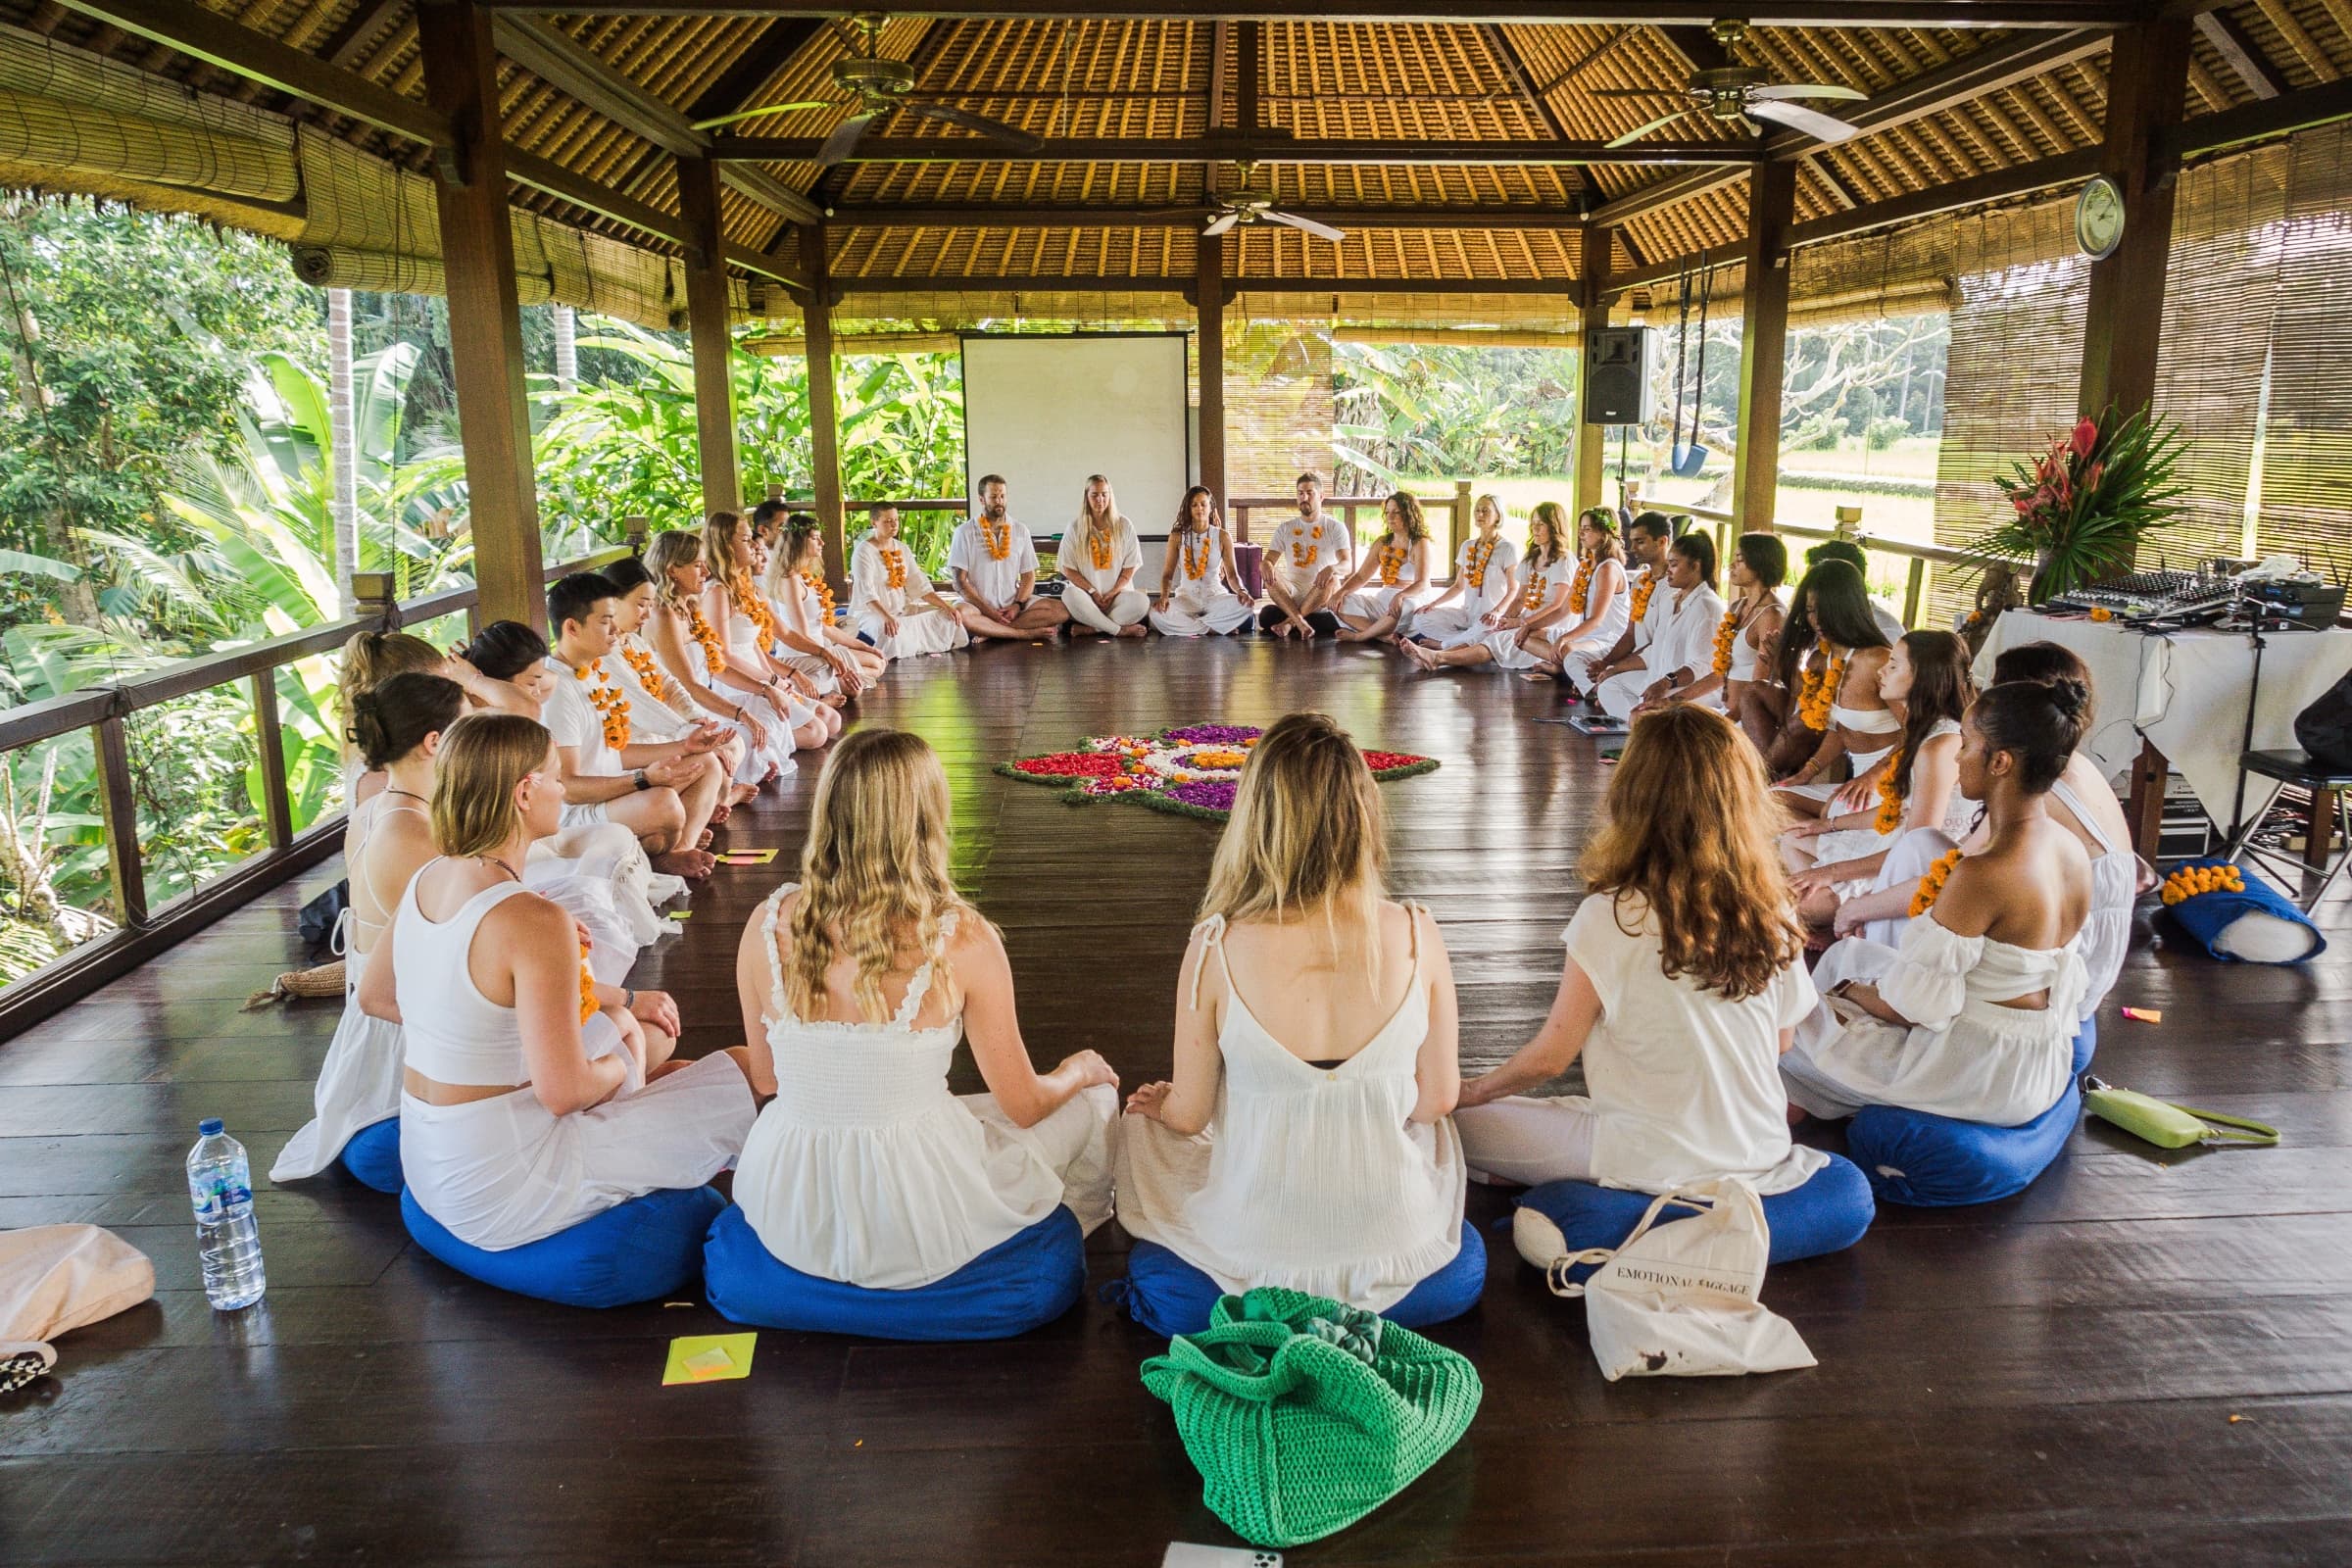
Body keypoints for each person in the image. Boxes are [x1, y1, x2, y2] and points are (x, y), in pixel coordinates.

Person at [729, 729, 1120, 1288]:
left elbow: (766, 1079)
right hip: (915, 1217)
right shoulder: (963, 938)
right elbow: (1027, 1105)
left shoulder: (765, 924)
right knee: (1095, 1100)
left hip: (788, 1207)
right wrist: (1078, 1069)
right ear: (927, 820)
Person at [360, 713, 756, 1252]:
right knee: (744, 1072)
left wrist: (491, 1035)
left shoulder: (430, 875)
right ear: (526, 792)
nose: (563, 790)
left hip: (432, 1163)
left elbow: (376, 996)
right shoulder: (531, 919)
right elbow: (565, 1092)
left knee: (677, 1067)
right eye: (554, 778)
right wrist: (625, 1058)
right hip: (508, 1187)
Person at [1114, 713, 1466, 1312]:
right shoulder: (1416, 932)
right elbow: (1437, 1100)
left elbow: (1191, 1111)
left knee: (1140, 1131)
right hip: (1393, 1243)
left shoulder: (1215, 945)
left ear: (1255, 820)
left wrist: (1158, 1107)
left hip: (1255, 1243)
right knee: (1439, 1135)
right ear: (1363, 817)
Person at [1452, 706, 1825, 1195]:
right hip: (1759, 1144)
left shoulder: (1612, 913)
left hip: (1645, 1154)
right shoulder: (1770, 904)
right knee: (1570, 1114)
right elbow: (1781, 1043)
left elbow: (1550, 1059)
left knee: (1449, 1120)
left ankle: (1551, 1180)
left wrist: (1469, 1092)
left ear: (1634, 795)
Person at [1781, 679, 2095, 1125]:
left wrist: (1843, 994)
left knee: (1782, 1022)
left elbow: (1912, 1009)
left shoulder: (1984, 873)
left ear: (2000, 762)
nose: (1956, 757)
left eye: (1966, 745)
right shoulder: (2069, 849)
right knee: (1852, 955)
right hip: (2039, 1059)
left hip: (1981, 1073)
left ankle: (1787, 1123)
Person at [1833, 641, 2145, 1021]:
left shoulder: (2031, 794)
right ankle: (1889, 970)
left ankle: (1890, 989)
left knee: (1832, 991)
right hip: (2053, 929)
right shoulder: (2062, 765)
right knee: (1919, 846)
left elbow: (1952, 879)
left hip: (2061, 964)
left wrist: (1855, 910)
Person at [273, 672, 466, 1184]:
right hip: (402, 1025)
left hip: (385, 1014)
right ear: (435, 742)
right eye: (464, 728)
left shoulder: (379, 807)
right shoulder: (411, 830)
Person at [1783, 630, 1975, 926]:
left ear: (1923, 678)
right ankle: (1823, 908)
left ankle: (1840, 909)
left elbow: (1916, 850)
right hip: (1890, 839)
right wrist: (1829, 825)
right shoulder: (1922, 728)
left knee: (1793, 910)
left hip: (1909, 867)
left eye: (1894, 665)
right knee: (1793, 836)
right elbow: (1897, 810)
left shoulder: (1940, 745)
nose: (1882, 670)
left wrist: (1830, 872)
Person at [541, 571, 725, 879]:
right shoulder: (558, 688)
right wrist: (643, 780)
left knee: (706, 763)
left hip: (614, 793)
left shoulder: (593, 672)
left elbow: (614, 751)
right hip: (577, 813)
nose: (615, 630)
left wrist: (684, 746)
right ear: (571, 627)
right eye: (604, 622)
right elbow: (569, 788)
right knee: (665, 805)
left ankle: (674, 850)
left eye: (614, 619)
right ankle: (657, 847)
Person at [644, 528, 834, 755]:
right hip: (682, 711)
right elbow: (689, 686)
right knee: (756, 739)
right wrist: (740, 713)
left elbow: (719, 668)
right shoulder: (664, 616)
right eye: (697, 565)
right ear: (672, 570)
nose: (706, 572)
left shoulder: (690, 608)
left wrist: (766, 688)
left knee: (811, 726)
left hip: (710, 699)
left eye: (705, 563)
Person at [599, 556, 763, 797]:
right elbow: (644, 706)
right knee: (709, 760)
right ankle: (720, 799)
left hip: (667, 738)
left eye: (650, 605)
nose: (646, 615)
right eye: (640, 604)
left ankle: (719, 799)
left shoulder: (634, 642)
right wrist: (689, 735)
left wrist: (698, 721)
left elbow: (669, 685)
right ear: (612, 602)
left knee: (734, 743)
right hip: (639, 751)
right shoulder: (604, 653)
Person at [1396, 502, 1577, 674]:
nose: (1535, 529)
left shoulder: (1564, 560)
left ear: (1554, 527)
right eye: (1533, 523)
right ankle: (1438, 655)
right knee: (1492, 631)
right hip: (1528, 619)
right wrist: (1505, 620)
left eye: (1541, 524)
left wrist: (1521, 623)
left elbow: (1558, 606)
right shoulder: (1531, 558)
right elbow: (1520, 598)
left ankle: (1439, 656)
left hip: (1550, 624)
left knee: (1496, 640)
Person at [1773, 560, 1897, 808]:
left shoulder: (1878, 660)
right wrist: (1806, 773)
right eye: (1810, 610)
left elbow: (1917, 730)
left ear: (1848, 608)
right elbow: (1840, 730)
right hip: (1856, 785)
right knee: (1770, 800)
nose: (1817, 620)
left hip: (1891, 781)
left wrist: (1872, 776)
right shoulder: (1820, 661)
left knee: (1775, 812)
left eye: (1825, 610)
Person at [703, 511, 848, 718]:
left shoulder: (750, 588)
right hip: (737, 682)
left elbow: (769, 639)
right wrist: (772, 681)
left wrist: (783, 676)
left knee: (830, 719)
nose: (754, 547)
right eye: (746, 540)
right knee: (819, 728)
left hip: (763, 670)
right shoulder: (718, 593)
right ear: (726, 546)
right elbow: (724, 659)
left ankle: (809, 697)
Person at [1599, 530, 1727, 720]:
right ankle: (1645, 725)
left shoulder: (1707, 608)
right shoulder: (1671, 599)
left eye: (1674, 565)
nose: (1668, 570)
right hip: (1657, 683)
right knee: (1610, 686)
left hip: (1687, 693)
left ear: (1695, 566)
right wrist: (1614, 668)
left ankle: (1647, 725)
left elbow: (1702, 667)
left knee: (1642, 712)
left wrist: (1667, 683)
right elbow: (1655, 650)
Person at [768, 514, 888, 686]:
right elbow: (802, 632)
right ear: (799, 542)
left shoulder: (804, 577)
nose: (822, 543)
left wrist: (866, 647)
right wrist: (828, 655)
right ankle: (822, 681)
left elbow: (824, 627)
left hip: (821, 650)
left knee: (878, 662)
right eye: (816, 538)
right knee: (870, 670)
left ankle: (835, 680)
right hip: (801, 655)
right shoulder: (789, 580)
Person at [1570, 512, 1675, 700]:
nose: (1633, 548)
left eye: (1640, 542)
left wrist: (1614, 668)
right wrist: (1605, 662)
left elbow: (1657, 646)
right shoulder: (1641, 581)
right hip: (1631, 657)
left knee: (1612, 685)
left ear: (1662, 542)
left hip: (1655, 664)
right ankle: (1598, 691)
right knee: (1574, 658)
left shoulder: (1673, 587)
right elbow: (1629, 634)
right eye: (1632, 541)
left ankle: (1603, 692)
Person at [950, 474, 1068, 641]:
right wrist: (988, 611)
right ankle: (1022, 633)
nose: (999, 501)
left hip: (1012, 603)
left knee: (1061, 610)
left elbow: (1028, 576)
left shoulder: (1020, 530)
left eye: (1002, 496)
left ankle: (990, 632)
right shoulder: (964, 532)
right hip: (977, 606)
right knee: (961, 615)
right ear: (982, 499)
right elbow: (959, 582)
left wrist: (1017, 606)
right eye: (993, 497)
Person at [1519, 507, 1629, 679]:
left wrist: (1564, 639)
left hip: (1608, 639)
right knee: (1525, 637)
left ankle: (1565, 669)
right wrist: (1528, 626)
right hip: (1586, 635)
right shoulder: (1585, 565)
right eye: (1580, 529)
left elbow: (1596, 620)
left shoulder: (1608, 568)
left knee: (1567, 648)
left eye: (1587, 529)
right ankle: (1565, 666)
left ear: (1603, 533)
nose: (1581, 534)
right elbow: (1563, 609)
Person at [848, 504, 970, 658]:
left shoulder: (902, 548)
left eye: (896, 520)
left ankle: (914, 643)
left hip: (901, 609)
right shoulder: (863, 552)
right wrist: (886, 616)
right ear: (874, 523)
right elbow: (867, 592)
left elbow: (918, 584)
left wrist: (946, 606)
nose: (894, 525)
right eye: (888, 521)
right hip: (872, 613)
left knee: (948, 617)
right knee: (892, 631)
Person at [1405, 493, 1520, 648]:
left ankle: (1444, 646)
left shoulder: (1507, 548)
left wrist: (1496, 611)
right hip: (1467, 615)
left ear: (1498, 516)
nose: (1479, 514)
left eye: (1485, 511)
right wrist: (1432, 604)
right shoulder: (1468, 546)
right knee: (1421, 617)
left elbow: (1513, 589)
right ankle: (1460, 642)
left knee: (1485, 629)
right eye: (1477, 510)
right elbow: (1459, 586)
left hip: (1490, 618)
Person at [1257, 471, 1355, 638]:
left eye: (1310, 493)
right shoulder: (1286, 528)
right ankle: (1301, 622)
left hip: (1321, 596)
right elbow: (1268, 561)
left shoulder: (1334, 527)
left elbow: (1347, 565)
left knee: (1332, 579)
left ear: (1321, 497)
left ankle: (1290, 623)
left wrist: (1332, 568)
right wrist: (1265, 565)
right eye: (1301, 493)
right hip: (1292, 594)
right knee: (1268, 591)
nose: (1305, 498)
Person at [1150, 485, 1253, 638]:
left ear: (1211, 507)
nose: (1200, 508)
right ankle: (1211, 628)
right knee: (1155, 614)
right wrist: (1164, 597)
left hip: (1215, 597)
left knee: (1246, 607)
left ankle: (1193, 625)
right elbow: (1167, 575)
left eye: (1203, 504)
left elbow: (1232, 575)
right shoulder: (1178, 536)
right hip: (1186, 598)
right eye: (1194, 505)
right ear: (1189, 509)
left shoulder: (1222, 536)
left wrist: (1242, 591)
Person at [1705, 533, 1788, 721]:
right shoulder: (1738, 607)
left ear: (1760, 564)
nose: (1732, 565)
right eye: (1733, 559)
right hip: (1726, 711)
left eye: (1740, 560)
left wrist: (1725, 724)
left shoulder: (1771, 615)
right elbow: (1721, 672)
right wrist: (1675, 698)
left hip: (1750, 719)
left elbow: (1759, 687)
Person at [1333, 492, 1437, 643]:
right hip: (1385, 598)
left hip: (1412, 597)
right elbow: (1361, 576)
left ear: (1409, 514)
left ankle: (1360, 636)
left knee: (1406, 606)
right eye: (1387, 512)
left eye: (1396, 512)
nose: (1390, 517)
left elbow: (1423, 583)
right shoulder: (1382, 543)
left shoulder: (1419, 543)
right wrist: (1340, 593)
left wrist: (1400, 595)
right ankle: (1383, 636)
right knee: (1343, 602)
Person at [1058, 475, 1150, 638]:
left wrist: (1113, 592)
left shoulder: (1124, 525)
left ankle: (1093, 629)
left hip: (1118, 598)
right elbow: (1067, 568)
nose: (1100, 499)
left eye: (1104, 494)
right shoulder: (1075, 527)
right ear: (1087, 497)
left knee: (1142, 602)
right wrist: (1092, 592)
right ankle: (1119, 630)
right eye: (1094, 495)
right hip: (1087, 598)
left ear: (1110, 496)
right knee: (1069, 594)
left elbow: (1130, 567)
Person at [458, 621, 560, 718]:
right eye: (531, 683)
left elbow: (552, 680)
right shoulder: (468, 718)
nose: (538, 692)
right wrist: (471, 680)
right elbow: (528, 708)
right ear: (499, 682)